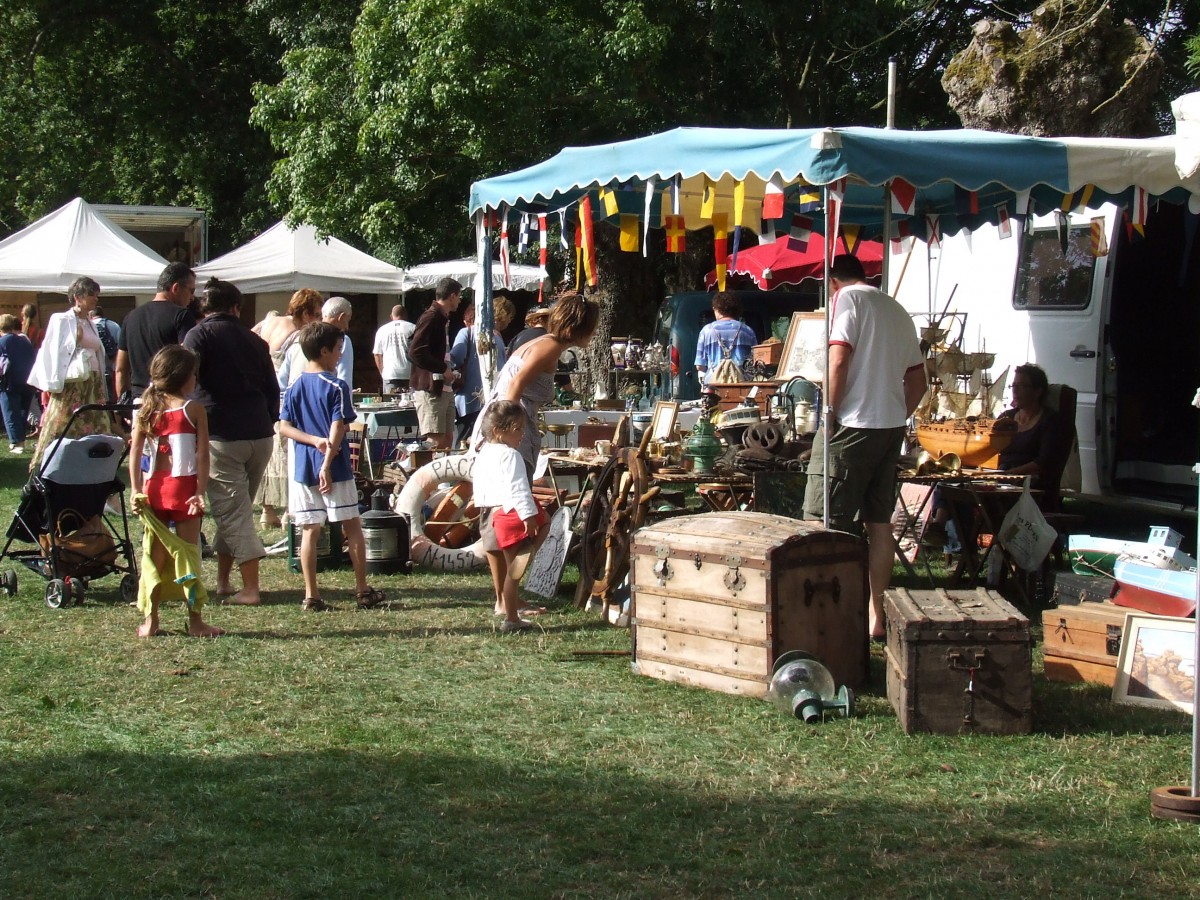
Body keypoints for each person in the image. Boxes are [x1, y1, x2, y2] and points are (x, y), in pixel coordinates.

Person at [802, 255, 925, 642]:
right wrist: (893, 412)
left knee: (820, 518)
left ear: (832, 283)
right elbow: (919, 381)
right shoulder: (897, 309)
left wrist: (831, 414)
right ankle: (876, 617)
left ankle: (827, 616)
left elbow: (838, 361)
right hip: (889, 426)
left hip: (853, 424)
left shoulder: (846, 301)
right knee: (879, 524)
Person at [182, 279, 279, 606]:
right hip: (260, 434)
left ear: (204, 308)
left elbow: (185, 378)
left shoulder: (197, 335)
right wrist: (269, 418)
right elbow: (272, 389)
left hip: (220, 434)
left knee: (233, 512)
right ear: (236, 308)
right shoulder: (255, 340)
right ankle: (223, 581)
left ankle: (250, 588)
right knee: (234, 509)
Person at [279, 322, 386, 612]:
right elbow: (338, 426)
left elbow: (284, 426)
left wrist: (311, 441)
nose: (340, 355)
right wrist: (326, 461)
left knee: (310, 531)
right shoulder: (337, 386)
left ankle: (311, 595)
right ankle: (362, 589)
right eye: (338, 349)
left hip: (303, 470)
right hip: (334, 469)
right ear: (324, 351)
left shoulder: (294, 387)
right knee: (352, 526)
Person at [127, 345, 221, 638]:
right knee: (189, 555)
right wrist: (200, 491)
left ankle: (151, 620)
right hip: (184, 489)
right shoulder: (194, 410)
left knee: (153, 558)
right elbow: (203, 455)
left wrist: (135, 489)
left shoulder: (146, 407)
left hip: (154, 489)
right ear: (184, 376)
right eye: (193, 374)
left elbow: (135, 453)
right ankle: (195, 621)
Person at [471, 293, 600, 479]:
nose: (595, 333)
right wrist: (507, 436)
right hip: (507, 428)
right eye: (592, 328)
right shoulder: (550, 347)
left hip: (503, 424)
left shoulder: (546, 342)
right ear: (579, 326)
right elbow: (516, 384)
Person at [472, 401, 547, 632]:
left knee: (504, 566)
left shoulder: (483, 452)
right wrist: (528, 516)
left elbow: (479, 482)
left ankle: (505, 607)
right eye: (517, 430)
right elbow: (519, 488)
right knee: (513, 570)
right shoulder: (510, 456)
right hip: (510, 511)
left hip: (491, 513)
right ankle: (511, 615)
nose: (522, 435)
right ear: (498, 431)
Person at [27, 277, 116, 470]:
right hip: (73, 384)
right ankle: (45, 466)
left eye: (96, 295)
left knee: (95, 425)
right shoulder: (62, 319)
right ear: (77, 296)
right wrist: (52, 384)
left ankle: (91, 466)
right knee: (63, 425)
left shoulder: (90, 322)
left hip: (92, 383)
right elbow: (52, 351)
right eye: (91, 294)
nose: (95, 299)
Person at [255, 288, 325, 529]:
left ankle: (267, 511)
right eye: (316, 314)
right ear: (305, 313)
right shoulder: (298, 337)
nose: (318, 319)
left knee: (270, 454)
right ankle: (287, 511)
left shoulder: (270, 321)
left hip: (264, 394)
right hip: (284, 396)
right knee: (287, 453)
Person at [116, 261, 197, 401]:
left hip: (139, 402)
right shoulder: (182, 315)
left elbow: (121, 369)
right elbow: (188, 362)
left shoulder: (131, 317)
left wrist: (124, 406)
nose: (192, 297)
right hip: (169, 401)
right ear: (176, 288)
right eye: (191, 290)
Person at [449, 296, 512, 448]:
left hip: (468, 399)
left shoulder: (466, 333)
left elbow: (455, 357)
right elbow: (502, 369)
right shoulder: (497, 338)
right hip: (492, 398)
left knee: (464, 443)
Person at [409, 277, 463, 448]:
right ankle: (424, 474)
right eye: (459, 296)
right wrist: (441, 369)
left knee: (447, 441)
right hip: (431, 388)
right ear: (452, 296)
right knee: (435, 442)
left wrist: (448, 370)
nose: (460, 301)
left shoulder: (442, 317)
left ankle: (444, 476)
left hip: (444, 388)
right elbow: (415, 351)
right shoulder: (431, 316)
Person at [694, 292, 757, 386]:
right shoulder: (748, 331)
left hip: (713, 387)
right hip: (741, 386)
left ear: (717, 309)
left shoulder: (706, 331)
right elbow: (755, 363)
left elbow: (700, 366)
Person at [0, 314, 36, 452]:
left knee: (10, 412)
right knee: (22, 411)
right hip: (28, 381)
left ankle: (17, 442)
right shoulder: (24, 341)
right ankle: (20, 439)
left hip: (9, 382)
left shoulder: (3, 342)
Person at [373, 304, 416, 393]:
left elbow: (377, 354)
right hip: (409, 373)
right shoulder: (413, 328)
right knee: (410, 404)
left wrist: (382, 372)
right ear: (406, 316)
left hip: (390, 373)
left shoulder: (382, 330)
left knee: (391, 404)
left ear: (391, 316)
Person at [90, 305, 121, 402]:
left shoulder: (89, 326)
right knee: (113, 399)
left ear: (91, 315)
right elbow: (121, 347)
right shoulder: (114, 325)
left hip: (94, 371)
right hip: (112, 369)